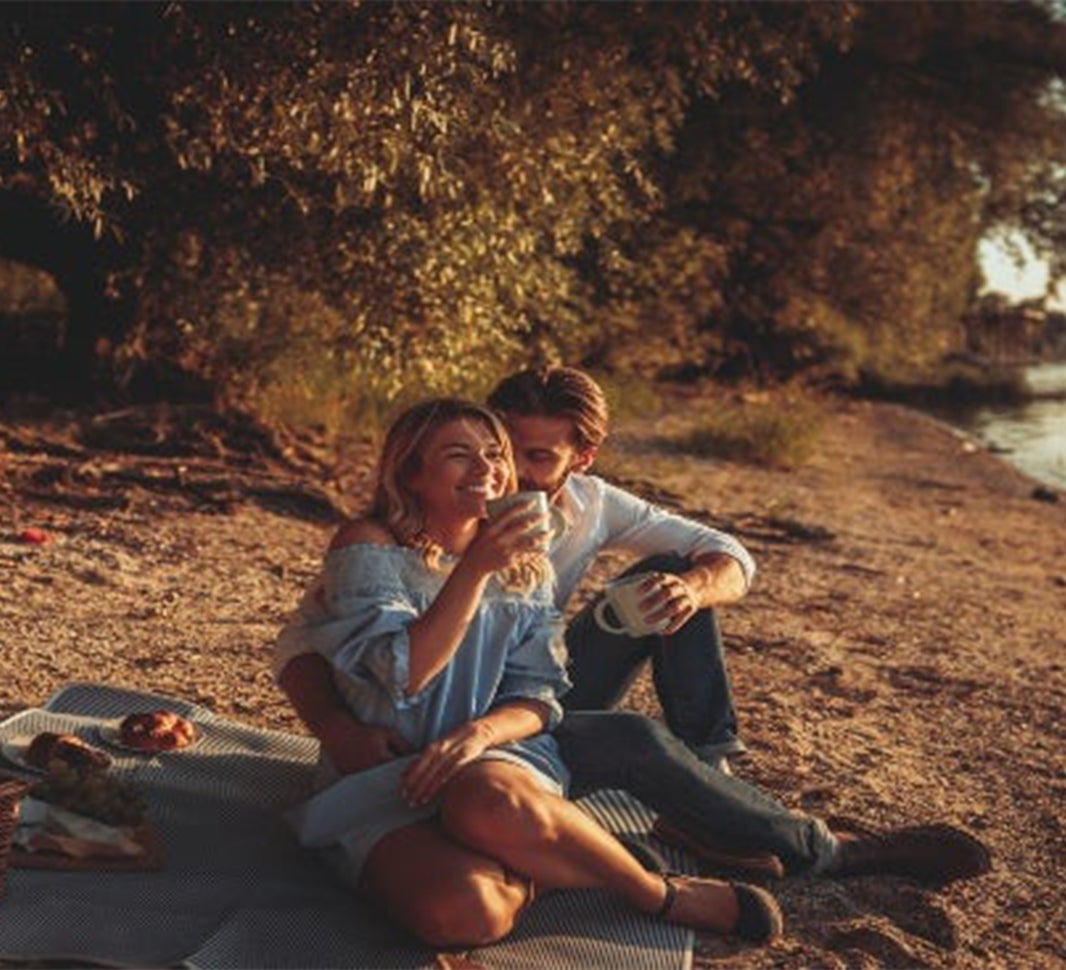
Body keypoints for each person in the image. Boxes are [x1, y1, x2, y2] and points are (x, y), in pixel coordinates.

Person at [276, 372, 991, 888]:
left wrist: (691, 588)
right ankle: (665, 842)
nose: (508, 472)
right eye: (496, 446)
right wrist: (336, 728)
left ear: (580, 461)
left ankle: (730, 795)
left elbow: (729, 559)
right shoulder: (388, 538)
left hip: (521, 704)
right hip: (420, 713)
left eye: (533, 458)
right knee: (560, 790)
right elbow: (311, 640)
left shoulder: (583, 513)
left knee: (670, 580)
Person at [277, 398, 783, 949]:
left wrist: (480, 734)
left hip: (495, 759)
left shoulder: (529, 560)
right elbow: (403, 675)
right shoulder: (368, 545)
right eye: (457, 455)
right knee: (464, 916)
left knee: (485, 798)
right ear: (412, 473)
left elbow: (539, 696)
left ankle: (654, 891)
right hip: (390, 770)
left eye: (495, 454)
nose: (487, 469)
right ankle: (545, 863)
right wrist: (474, 570)